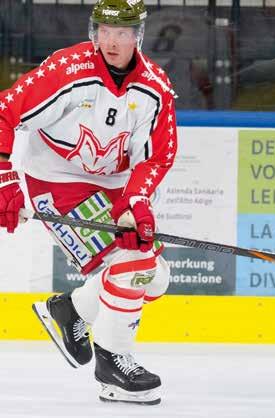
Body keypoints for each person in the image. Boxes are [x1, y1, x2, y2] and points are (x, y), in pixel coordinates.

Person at [0, 0, 177, 405]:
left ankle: (73, 311)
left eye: (122, 33)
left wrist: (135, 202)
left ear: (138, 36)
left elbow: (156, 157)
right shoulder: (67, 69)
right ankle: (112, 365)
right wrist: (3, 178)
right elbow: (3, 111)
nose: (111, 42)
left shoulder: (155, 87)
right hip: (58, 180)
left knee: (155, 276)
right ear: (94, 32)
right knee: (134, 266)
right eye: (104, 31)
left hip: (114, 184)